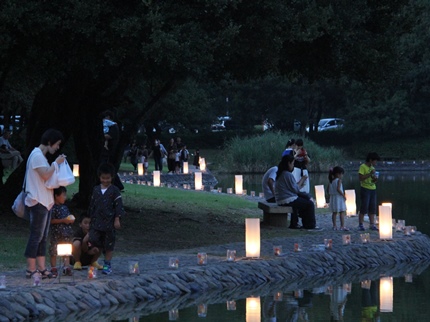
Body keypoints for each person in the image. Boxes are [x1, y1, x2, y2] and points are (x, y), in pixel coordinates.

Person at [24, 128, 66, 279]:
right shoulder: (36, 155)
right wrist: (56, 163)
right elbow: (46, 174)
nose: (57, 147)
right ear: (50, 142)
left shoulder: (41, 156)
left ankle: (41, 267)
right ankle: (31, 268)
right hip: (38, 201)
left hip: (46, 202)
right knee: (36, 235)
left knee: (43, 236)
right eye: (57, 144)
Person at [88, 162, 125, 275]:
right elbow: (92, 205)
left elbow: (118, 206)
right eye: (103, 178)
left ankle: (107, 264)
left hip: (109, 222)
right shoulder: (96, 190)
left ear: (111, 177)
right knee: (94, 239)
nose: (105, 180)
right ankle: (93, 258)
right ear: (99, 177)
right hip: (97, 222)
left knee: (109, 244)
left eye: (107, 178)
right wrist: (89, 218)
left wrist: (117, 219)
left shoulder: (114, 191)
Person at [275, 154, 321, 230]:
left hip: (283, 198)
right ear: (289, 163)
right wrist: (302, 179)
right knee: (309, 204)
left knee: (305, 199)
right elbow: (296, 189)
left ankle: (299, 223)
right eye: (292, 164)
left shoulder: (281, 173)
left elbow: (293, 188)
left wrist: (301, 183)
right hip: (287, 199)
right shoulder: (287, 174)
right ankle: (310, 225)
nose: (293, 166)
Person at [49, 186, 75, 277]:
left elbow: (67, 217)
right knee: (54, 251)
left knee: (66, 251)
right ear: (56, 196)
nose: (65, 197)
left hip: (66, 233)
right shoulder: (53, 208)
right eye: (63, 195)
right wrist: (63, 220)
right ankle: (54, 268)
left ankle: (66, 267)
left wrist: (70, 220)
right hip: (56, 233)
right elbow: (51, 220)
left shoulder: (64, 207)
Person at [100, 110, 124, 191]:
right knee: (108, 168)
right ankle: (117, 185)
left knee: (107, 168)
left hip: (109, 152)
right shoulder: (110, 126)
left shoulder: (113, 127)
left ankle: (117, 184)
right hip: (107, 151)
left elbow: (108, 136)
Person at [358, 152, 381, 231]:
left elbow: (373, 180)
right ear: (370, 160)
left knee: (373, 207)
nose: (375, 163)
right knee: (364, 206)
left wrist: (375, 178)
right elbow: (361, 178)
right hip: (365, 188)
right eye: (375, 161)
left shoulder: (372, 168)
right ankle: (360, 224)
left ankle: (372, 224)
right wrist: (370, 173)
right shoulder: (363, 167)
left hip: (373, 189)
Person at [328, 166, 349, 231]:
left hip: (333, 198)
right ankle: (342, 226)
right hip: (338, 198)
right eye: (341, 174)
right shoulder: (338, 180)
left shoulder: (331, 181)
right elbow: (338, 189)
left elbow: (328, 190)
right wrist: (343, 195)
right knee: (341, 212)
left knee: (334, 212)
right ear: (338, 174)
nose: (342, 175)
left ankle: (334, 226)